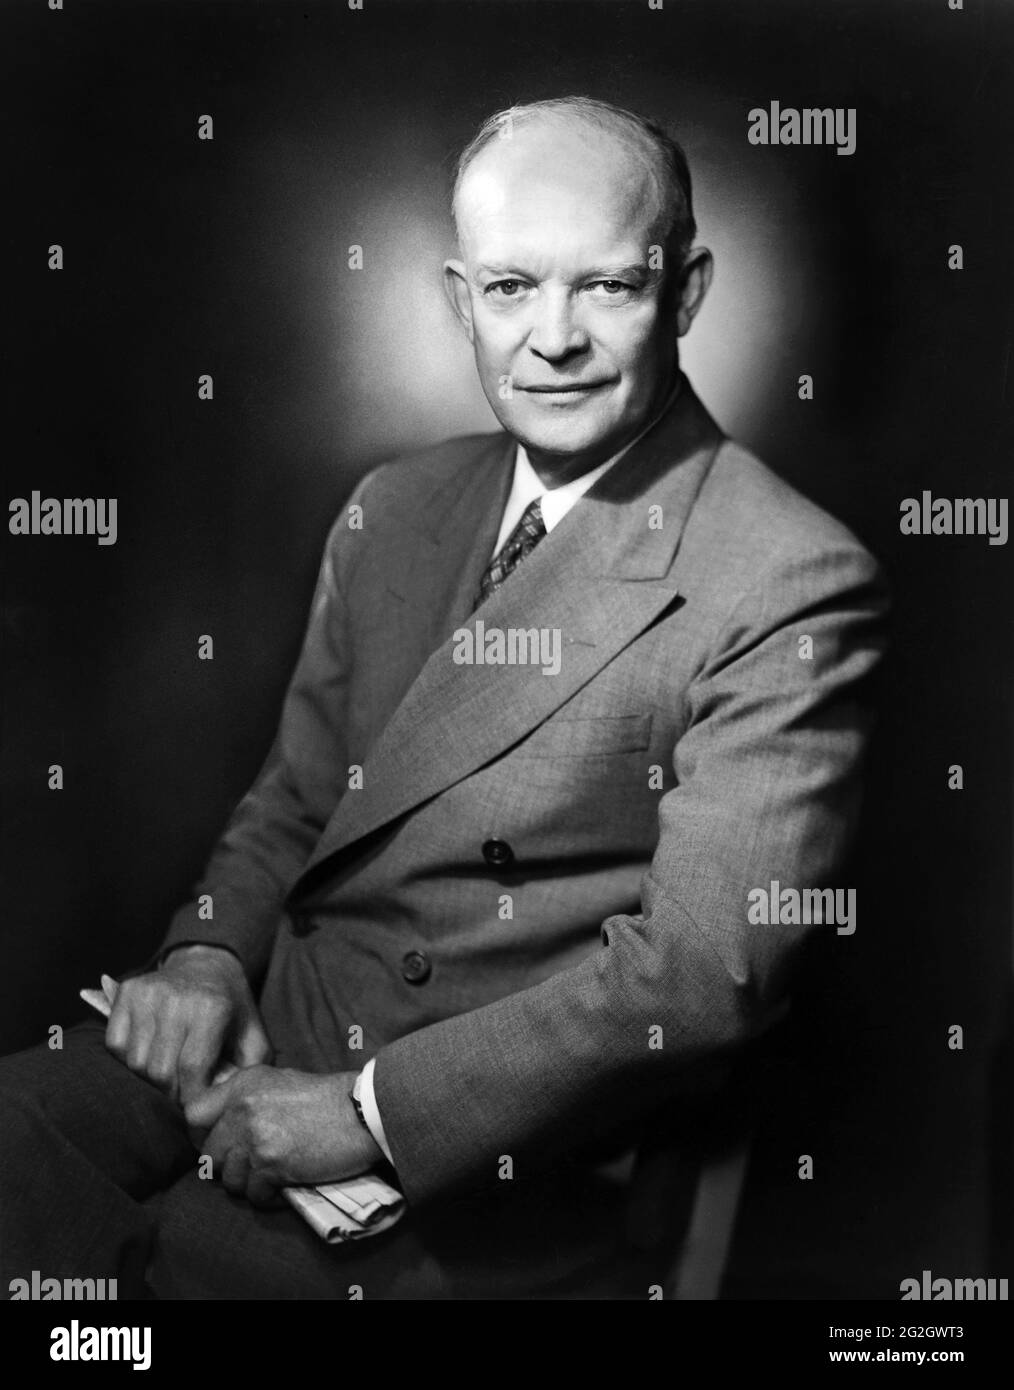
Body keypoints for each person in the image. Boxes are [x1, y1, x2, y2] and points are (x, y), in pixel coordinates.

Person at [0, 96, 889, 1300]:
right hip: (262, 1032)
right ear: (461, 301)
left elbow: (695, 977)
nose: (553, 338)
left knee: (142, 1298)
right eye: (514, 287)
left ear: (684, 296)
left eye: (609, 287)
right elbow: (296, 798)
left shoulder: (786, 577)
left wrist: (363, 1117)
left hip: (479, 1162)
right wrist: (208, 956)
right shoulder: (394, 505)